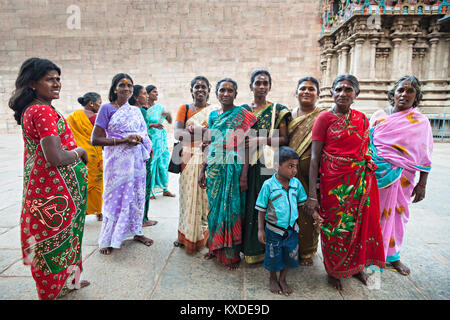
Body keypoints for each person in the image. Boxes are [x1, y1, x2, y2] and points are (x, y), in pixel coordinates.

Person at [9, 57, 90, 299]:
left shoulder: (35, 108)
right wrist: (80, 152)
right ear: (33, 83)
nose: (57, 83)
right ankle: (51, 292)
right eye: (49, 79)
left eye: (58, 78)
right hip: (54, 197)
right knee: (55, 242)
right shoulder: (42, 111)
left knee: (70, 238)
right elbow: (54, 157)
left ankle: (71, 283)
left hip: (55, 192)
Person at [305, 74, 385, 291]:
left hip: (359, 182)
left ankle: (356, 267)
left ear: (356, 94)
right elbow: (315, 158)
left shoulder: (362, 118)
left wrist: (366, 167)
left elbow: (365, 149)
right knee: (334, 228)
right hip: (334, 184)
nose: (342, 94)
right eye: (338, 89)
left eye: (348, 90)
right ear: (331, 93)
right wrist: (313, 194)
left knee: (359, 226)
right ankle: (333, 270)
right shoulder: (324, 119)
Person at [369, 75, 433, 276]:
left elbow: (425, 154)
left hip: (404, 176)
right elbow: (368, 145)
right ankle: (370, 254)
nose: (404, 94)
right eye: (400, 90)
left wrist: (422, 184)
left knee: (398, 214)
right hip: (376, 175)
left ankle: (393, 256)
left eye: (410, 91)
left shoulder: (420, 122)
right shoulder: (379, 116)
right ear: (393, 94)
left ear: (416, 97)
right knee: (373, 214)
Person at [91, 73, 153, 255]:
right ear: (114, 88)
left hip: (135, 162)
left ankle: (137, 232)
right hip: (116, 164)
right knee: (114, 198)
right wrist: (124, 141)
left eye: (129, 86)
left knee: (136, 196)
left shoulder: (135, 111)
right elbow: (95, 139)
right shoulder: (106, 109)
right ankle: (109, 239)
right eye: (122, 85)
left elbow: (144, 134)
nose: (126, 88)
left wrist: (140, 139)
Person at [199, 78, 256, 270]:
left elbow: (247, 148)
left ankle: (231, 254)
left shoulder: (242, 115)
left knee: (232, 210)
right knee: (214, 210)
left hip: (234, 167)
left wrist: (244, 176)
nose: (226, 93)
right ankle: (214, 248)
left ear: (236, 94)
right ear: (216, 93)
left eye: (230, 90)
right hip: (214, 168)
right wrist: (202, 170)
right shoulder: (214, 116)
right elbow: (208, 144)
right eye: (222, 90)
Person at [241, 69, 292, 265]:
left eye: (265, 83)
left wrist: (263, 139)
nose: (261, 87)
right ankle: (251, 249)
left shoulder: (278, 110)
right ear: (251, 86)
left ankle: (272, 249)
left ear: (270, 86)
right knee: (251, 206)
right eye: (257, 83)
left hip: (269, 165)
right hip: (249, 165)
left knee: (272, 206)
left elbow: (285, 138)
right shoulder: (244, 111)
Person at [256, 146, 310, 296]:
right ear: (277, 166)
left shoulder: (296, 184)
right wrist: (261, 229)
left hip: (292, 230)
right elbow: (261, 208)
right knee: (273, 256)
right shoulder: (268, 186)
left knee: (289, 255)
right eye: (290, 166)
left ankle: (283, 278)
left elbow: (302, 203)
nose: (294, 171)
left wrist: (316, 214)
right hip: (273, 230)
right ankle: (273, 278)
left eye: (295, 167)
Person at [173, 76, 217, 253]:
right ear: (191, 90)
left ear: (209, 90)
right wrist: (202, 134)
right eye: (196, 87)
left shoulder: (214, 111)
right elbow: (177, 134)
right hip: (187, 158)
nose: (200, 90)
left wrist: (195, 133)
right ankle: (185, 235)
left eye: (203, 87)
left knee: (206, 198)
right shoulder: (184, 109)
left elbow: (216, 134)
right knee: (187, 197)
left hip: (208, 157)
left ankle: (205, 235)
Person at [288, 77, 326, 266]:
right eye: (302, 88)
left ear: (318, 94)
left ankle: (307, 250)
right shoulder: (288, 115)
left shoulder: (323, 116)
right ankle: (289, 247)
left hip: (313, 174)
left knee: (309, 210)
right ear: (296, 93)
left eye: (311, 89)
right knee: (289, 211)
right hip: (289, 173)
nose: (306, 92)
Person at [67, 92, 104, 222]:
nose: (101, 105)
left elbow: (66, 133)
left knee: (81, 183)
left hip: (79, 154)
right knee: (97, 184)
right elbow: (103, 135)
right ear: (91, 103)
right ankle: (99, 212)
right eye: (99, 102)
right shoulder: (97, 118)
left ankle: (80, 211)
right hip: (95, 155)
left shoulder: (72, 117)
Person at [129, 85, 158, 227]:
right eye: (144, 94)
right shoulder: (140, 111)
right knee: (144, 186)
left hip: (134, 154)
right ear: (136, 97)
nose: (147, 96)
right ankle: (143, 219)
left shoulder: (131, 110)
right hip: (143, 153)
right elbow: (144, 134)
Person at [145, 85, 175, 199]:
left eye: (157, 92)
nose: (156, 94)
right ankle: (150, 189)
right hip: (150, 139)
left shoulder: (160, 107)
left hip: (161, 139)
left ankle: (165, 189)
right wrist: (152, 125)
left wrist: (169, 115)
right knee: (152, 164)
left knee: (163, 163)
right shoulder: (143, 109)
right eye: (154, 92)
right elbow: (142, 124)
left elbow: (170, 121)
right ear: (147, 94)